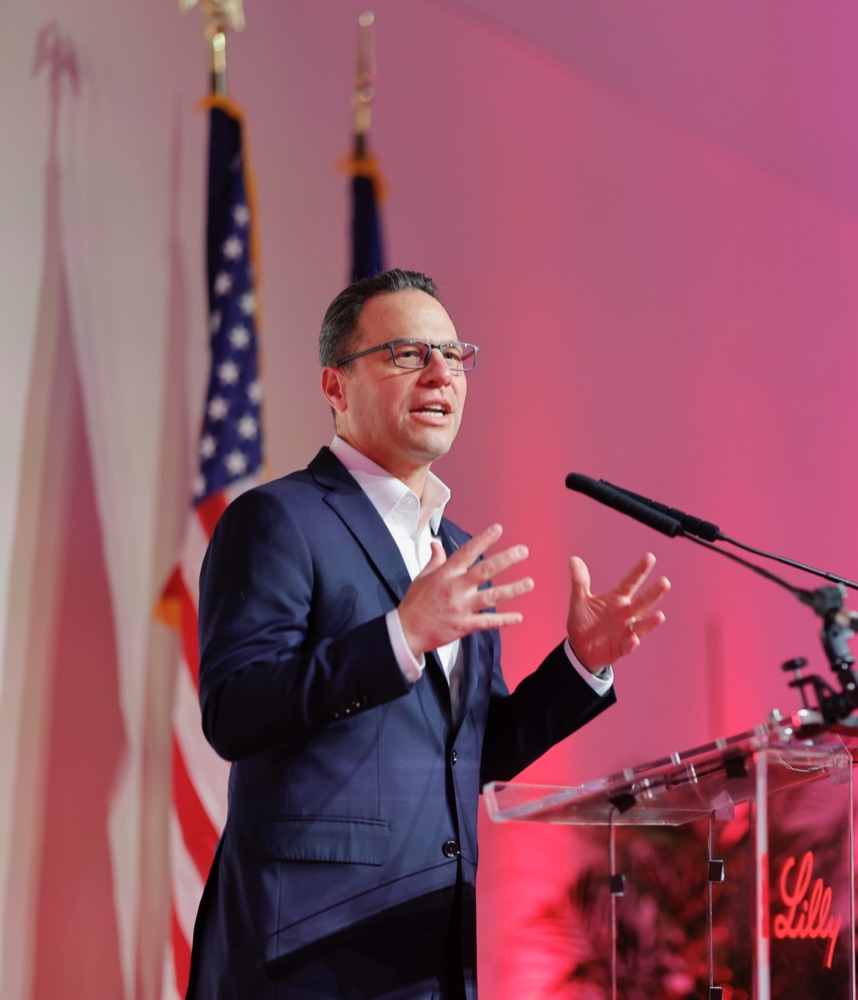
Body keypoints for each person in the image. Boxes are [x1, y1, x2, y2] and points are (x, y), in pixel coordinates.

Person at [184, 268, 669, 999]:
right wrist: (399, 636)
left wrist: (580, 666)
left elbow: (473, 753)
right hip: (304, 954)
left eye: (454, 354)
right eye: (408, 354)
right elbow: (236, 711)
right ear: (335, 386)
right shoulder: (277, 520)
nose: (440, 372)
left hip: (427, 951)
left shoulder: (455, 545)